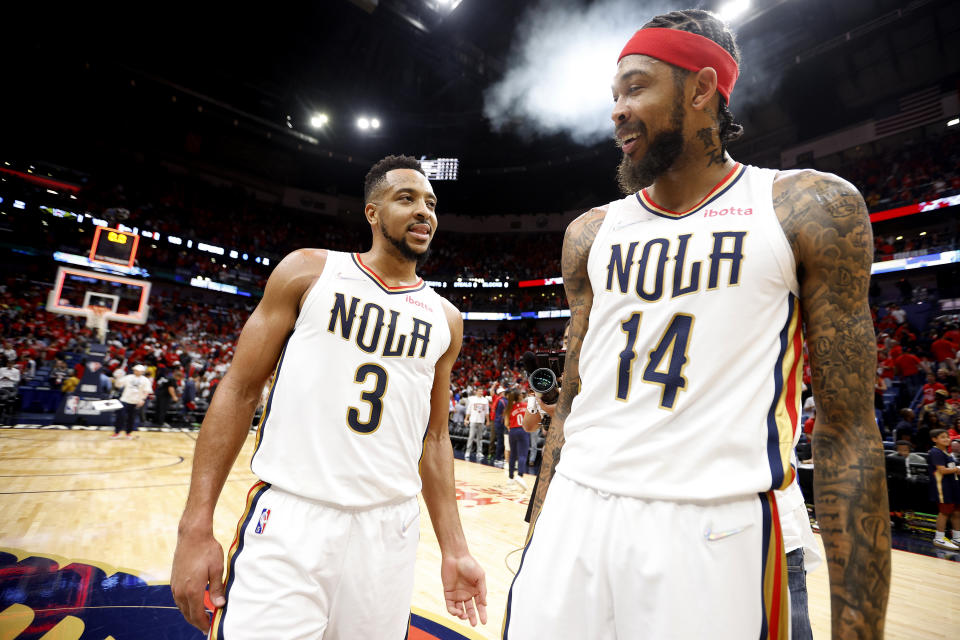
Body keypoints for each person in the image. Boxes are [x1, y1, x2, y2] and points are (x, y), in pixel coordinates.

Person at [505, 10, 890, 639]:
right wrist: (537, 543)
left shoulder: (806, 207)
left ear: (702, 89)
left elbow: (849, 433)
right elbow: (567, 408)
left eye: (636, 88)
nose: (617, 111)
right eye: (614, 95)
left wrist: (861, 628)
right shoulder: (590, 233)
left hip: (720, 527)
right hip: (576, 514)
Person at [171, 155, 486, 638]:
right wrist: (194, 528)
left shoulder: (446, 319)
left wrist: (455, 547)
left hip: (389, 532)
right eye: (406, 198)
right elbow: (238, 390)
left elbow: (436, 437)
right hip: (294, 516)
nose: (424, 211)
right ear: (372, 213)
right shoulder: (309, 271)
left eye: (431, 202)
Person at [927, 428, 960, 550]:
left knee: (957, 511)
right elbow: (942, 470)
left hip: (953, 485)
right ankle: (939, 538)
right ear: (934, 439)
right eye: (943, 437)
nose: (947, 439)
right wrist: (957, 469)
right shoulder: (935, 452)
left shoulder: (946, 452)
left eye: (947, 437)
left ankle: (957, 537)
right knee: (945, 512)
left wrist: (956, 469)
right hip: (942, 486)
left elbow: (950, 469)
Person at [113, 364, 151, 439]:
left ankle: (128, 433)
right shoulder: (128, 377)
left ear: (142, 372)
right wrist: (117, 378)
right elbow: (118, 385)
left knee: (131, 418)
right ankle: (117, 432)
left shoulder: (145, 380)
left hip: (135, 402)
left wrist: (142, 399)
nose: (137, 372)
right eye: (136, 370)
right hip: (125, 400)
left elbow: (146, 391)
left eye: (139, 371)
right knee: (120, 416)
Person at [505, 388, 529, 490]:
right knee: (522, 455)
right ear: (519, 396)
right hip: (523, 430)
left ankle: (510, 478)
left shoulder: (509, 407)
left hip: (512, 431)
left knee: (513, 455)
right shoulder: (526, 406)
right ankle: (520, 475)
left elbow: (506, 424)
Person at [464, 386, 488, 460]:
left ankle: (479, 452)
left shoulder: (485, 400)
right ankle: (468, 451)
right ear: (476, 391)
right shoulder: (472, 399)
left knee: (480, 437)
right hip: (473, 420)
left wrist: (488, 420)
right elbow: (468, 410)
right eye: (479, 391)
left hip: (481, 420)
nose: (481, 392)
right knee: (471, 436)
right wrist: (466, 419)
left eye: (482, 391)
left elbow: (487, 412)